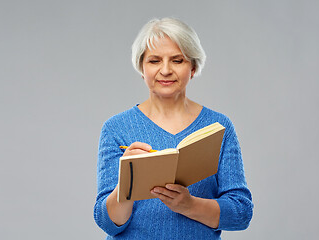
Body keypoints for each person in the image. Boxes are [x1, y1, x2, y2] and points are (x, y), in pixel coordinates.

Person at [94, 17, 253, 239]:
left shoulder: (219, 127)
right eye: (154, 61)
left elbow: (241, 213)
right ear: (142, 67)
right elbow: (107, 223)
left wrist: (188, 205)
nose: (166, 70)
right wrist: (126, 185)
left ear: (193, 67)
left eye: (177, 60)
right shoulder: (116, 128)